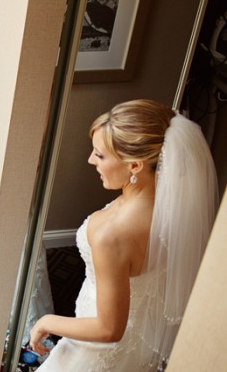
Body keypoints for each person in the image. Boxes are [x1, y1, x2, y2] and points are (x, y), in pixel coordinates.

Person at [30, 99, 219, 371]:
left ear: (135, 166)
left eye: (100, 155)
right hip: (138, 344)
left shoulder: (111, 234)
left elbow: (108, 329)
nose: (90, 160)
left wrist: (46, 321)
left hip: (93, 354)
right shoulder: (174, 209)